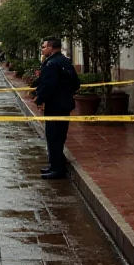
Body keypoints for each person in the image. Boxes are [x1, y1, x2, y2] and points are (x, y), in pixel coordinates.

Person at [31, 37, 79, 180]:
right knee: (58, 136)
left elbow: (48, 86)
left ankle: (58, 169)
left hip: (55, 105)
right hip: (64, 104)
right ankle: (53, 165)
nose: (43, 49)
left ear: (51, 48)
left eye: (44, 47)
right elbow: (76, 84)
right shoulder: (65, 62)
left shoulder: (52, 64)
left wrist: (39, 99)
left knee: (54, 137)